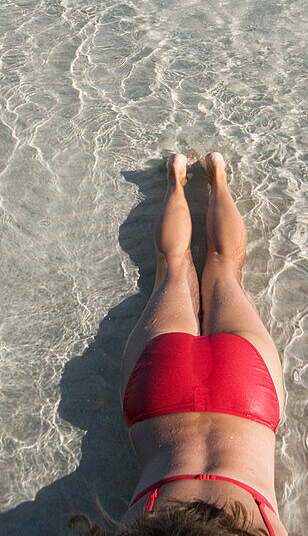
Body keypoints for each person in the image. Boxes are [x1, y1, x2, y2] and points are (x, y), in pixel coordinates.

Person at [72, 152, 288, 535]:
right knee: (179, 265)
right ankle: (187, 175)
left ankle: (211, 174)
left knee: (219, 266)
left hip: (244, 396)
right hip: (160, 398)